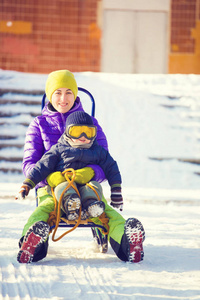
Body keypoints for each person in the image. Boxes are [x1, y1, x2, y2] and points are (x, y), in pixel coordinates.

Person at [16, 70, 145, 264]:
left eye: (69, 92)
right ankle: (34, 243)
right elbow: (30, 164)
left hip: (88, 188)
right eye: (57, 92)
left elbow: (105, 159)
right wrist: (50, 178)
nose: (63, 98)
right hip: (52, 188)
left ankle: (127, 243)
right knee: (44, 210)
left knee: (105, 212)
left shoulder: (91, 124)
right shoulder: (39, 124)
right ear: (50, 95)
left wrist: (91, 173)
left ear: (75, 94)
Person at [18, 111, 123, 222]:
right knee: (63, 187)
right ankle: (71, 205)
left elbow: (111, 168)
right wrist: (28, 183)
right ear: (68, 133)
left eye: (88, 132)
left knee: (94, 185)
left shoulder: (98, 151)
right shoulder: (59, 149)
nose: (83, 137)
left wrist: (116, 190)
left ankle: (91, 206)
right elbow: (43, 166)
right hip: (65, 184)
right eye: (77, 132)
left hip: (86, 185)